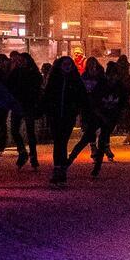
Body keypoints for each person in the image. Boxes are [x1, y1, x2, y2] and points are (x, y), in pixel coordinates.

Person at [39, 55, 86, 187]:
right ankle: (59, 169)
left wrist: (79, 110)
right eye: (64, 64)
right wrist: (43, 110)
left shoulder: (75, 81)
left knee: (62, 142)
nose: (67, 67)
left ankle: (60, 170)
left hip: (68, 116)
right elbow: (47, 97)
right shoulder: (54, 80)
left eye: (69, 65)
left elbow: (82, 98)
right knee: (58, 142)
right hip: (55, 116)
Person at [6, 51, 42, 170]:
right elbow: (9, 85)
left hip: (27, 104)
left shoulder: (32, 74)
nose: (20, 62)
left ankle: (31, 156)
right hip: (20, 104)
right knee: (16, 130)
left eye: (22, 60)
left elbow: (36, 89)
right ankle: (25, 153)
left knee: (28, 131)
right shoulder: (17, 72)